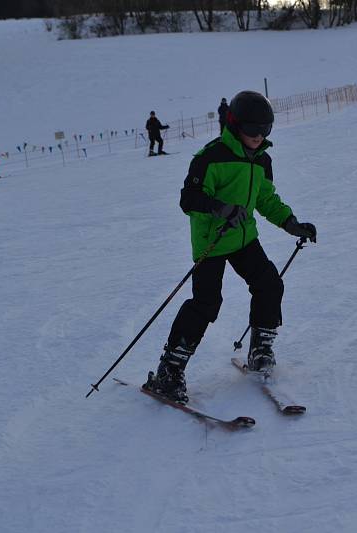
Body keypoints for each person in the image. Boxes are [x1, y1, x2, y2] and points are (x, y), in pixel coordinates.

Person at [144, 90, 318, 404]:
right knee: (206, 304)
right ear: (236, 125)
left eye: (266, 130)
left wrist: (290, 223)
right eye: (253, 130)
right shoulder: (210, 157)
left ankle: (261, 349)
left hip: (243, 238)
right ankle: (170, 369)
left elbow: (265, 199)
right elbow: (189, 200)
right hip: (212, 240)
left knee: (269, 284)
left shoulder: (262, 159)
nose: (258, 136)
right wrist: (220, 208)